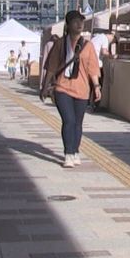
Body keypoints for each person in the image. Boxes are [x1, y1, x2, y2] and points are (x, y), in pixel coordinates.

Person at [40, 10, 101, 168]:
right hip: (63, 88)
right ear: (68, 25)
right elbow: (52, 67)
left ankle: (75, 151)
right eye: (75, 22)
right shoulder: (60, 44)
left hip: (82, 90)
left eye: (81, 21)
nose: (79, 24)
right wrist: (45, 86)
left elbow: (92, 69)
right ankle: (68, 153)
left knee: (78, 123)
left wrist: (97, 87)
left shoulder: (88, 46)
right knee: (69, 120)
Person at [90, 28, 112, 111]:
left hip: (91, 62)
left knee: (91, 85)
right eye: (114, 40)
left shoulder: (97, 37)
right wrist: (112, 56)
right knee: (99, 84)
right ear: (111, 35)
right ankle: (96, 105)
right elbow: (104, 52)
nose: (112, 42)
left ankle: (88, 103)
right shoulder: (105, 39)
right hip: (97, 64)